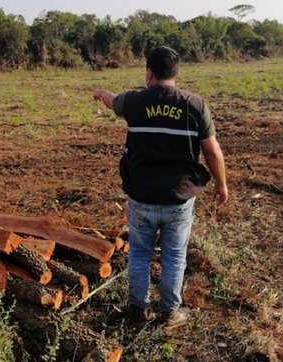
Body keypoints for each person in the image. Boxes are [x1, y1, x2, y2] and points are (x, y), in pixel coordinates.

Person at [93, 46, 228, 330]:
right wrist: (221, 184)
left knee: (139, 254)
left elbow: (112, 101)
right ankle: (169, 313)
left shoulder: (133, 102)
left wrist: (100, 93)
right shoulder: (196, 105)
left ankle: (137, 311)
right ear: (176, 74)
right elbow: (213, 152)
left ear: (149, 73)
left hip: (141, 196)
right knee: (175, 256)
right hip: (179, 199)